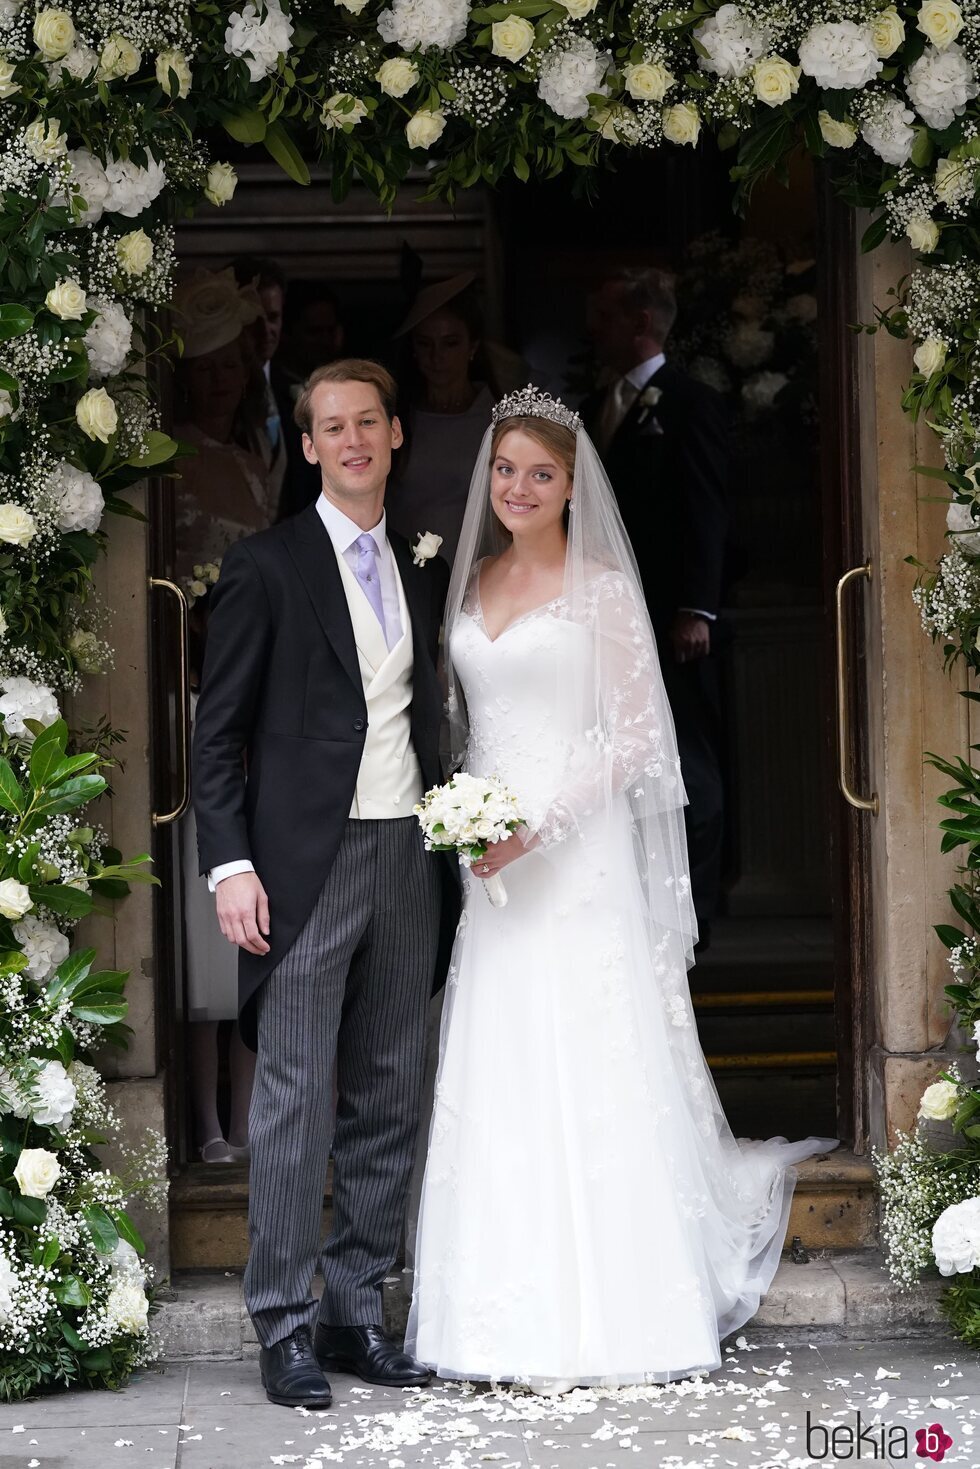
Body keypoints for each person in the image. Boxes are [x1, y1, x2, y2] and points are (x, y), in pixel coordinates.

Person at [405, 386, 836, 1390]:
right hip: (492, 869)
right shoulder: (469, 582)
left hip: (573, 854)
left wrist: (536, 825)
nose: (517, 486)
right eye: (504, 468)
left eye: (540, 473)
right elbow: (465, 719)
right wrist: (468, 814)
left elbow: (638, 736)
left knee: (589, 1051)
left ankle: (620, 1305)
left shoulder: (598, 586)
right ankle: (493, 1312)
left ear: (570, 486)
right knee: (501, 1054)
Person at [191, 359, 459, 1408]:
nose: (350, 440)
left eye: (366, 423)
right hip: (303, 864)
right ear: (305, 445)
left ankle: (355, 1309)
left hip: (408, 852)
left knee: (391, 1088)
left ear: (394, 435)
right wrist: (231, 863)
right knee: (295, 1099)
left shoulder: (419, 558)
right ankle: (284, 1323)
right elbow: (217, 739)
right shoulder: (264, 565)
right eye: (329, 426)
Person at [583, 266, 729, 943]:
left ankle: (696, 903)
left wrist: (697, 608)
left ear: (641, 325)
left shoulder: (690, 402)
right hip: (614, 617)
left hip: (670, 618)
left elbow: (706, 507)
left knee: (687, 761)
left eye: (607, 316)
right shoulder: (599, 402)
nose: (596, 327)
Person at [173, 267, 276, 1165]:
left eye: (228, 367)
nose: (218, 382)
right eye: (202, 370)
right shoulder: (164, 463)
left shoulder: (254, 463)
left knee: (254, 915)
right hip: (191, 699)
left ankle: (248, 1121)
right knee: (205, 911)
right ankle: (205, 1124)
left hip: (251, 707)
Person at [386, 274, 500, 568]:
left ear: (472, 346)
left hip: (480, 572)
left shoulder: (499, 419)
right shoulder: (395, 418)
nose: (437, 357)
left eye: (450, 343)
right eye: (425, 344)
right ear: (413, 348)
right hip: (406, 572)